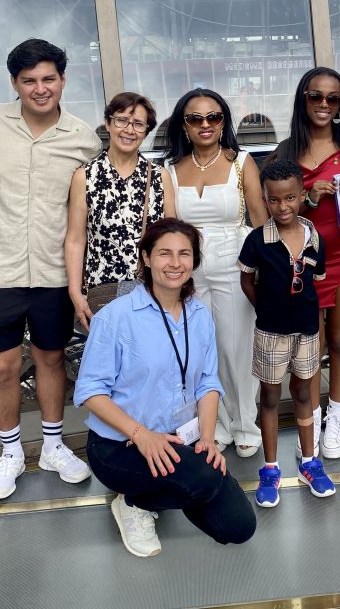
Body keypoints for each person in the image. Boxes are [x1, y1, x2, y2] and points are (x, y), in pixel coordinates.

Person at [0, 38, 102, 500]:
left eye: (48, 79)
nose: (40, 89)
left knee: (51, 358)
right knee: (1, 366)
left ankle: (53, 446)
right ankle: (9, 454)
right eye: (29, 81)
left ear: (63, 80)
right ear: (14, 83)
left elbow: (89, 213)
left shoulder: (83, 139)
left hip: (53, 273)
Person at [75, 218, 256, 558]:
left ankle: (167, 486)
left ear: (194, 261)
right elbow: (89, 391)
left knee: (238, 527)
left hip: (179, 438)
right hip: (121, 445)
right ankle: (132, 502)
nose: (175, 263)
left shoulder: (199, 314)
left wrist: (206, 439)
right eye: (164, 254)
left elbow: (207, 383)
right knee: (203, 480)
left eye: (184, 254)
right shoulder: (116, 318)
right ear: (146, 257)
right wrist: (142, 434)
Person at [271, 67, 340, 461]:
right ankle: (309, 421)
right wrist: (309, 197)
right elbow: (274, 214)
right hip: (302, 260)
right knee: (308, 348)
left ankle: (337, 416)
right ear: (303, 99)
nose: (324, 105)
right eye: (316, 96)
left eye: (333, 98)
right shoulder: (284, 151)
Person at [164, 88, 267, 458]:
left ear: (223, 121)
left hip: (235, 265)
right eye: (195, 119)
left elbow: (260, 222)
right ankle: (216, 425)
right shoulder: (171, 170)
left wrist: (265, 271)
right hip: (189, 270)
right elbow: (169, 226)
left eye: (214, 117)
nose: (205, 125)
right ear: (184, 126)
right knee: (200, 351)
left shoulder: (242, 163)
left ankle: (245, 424)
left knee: (236, 347)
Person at [238, 160, 335, 506]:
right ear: (265, 199)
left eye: (291, 198)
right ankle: (270, 468)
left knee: (305, 395)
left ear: (301, 196)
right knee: (269, 397)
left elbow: (316, 288)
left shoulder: (315, 238)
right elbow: (246, 280)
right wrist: (264, 309)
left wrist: (318, 326)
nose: (283, 207)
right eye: (274, 200)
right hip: (270, 331)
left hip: (307, 330)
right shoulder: (256, 241)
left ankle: (310, 462)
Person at [65, 91, 176, 328]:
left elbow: (172, 240)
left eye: (138, 124)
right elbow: (76, 238)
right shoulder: (85, 176)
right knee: (107, 360)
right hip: (102, 292)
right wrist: (76, 292)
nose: (129, 129)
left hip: (152, 289)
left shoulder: (159, 176)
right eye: (121, 120)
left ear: (146, 131)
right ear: (108, 123)